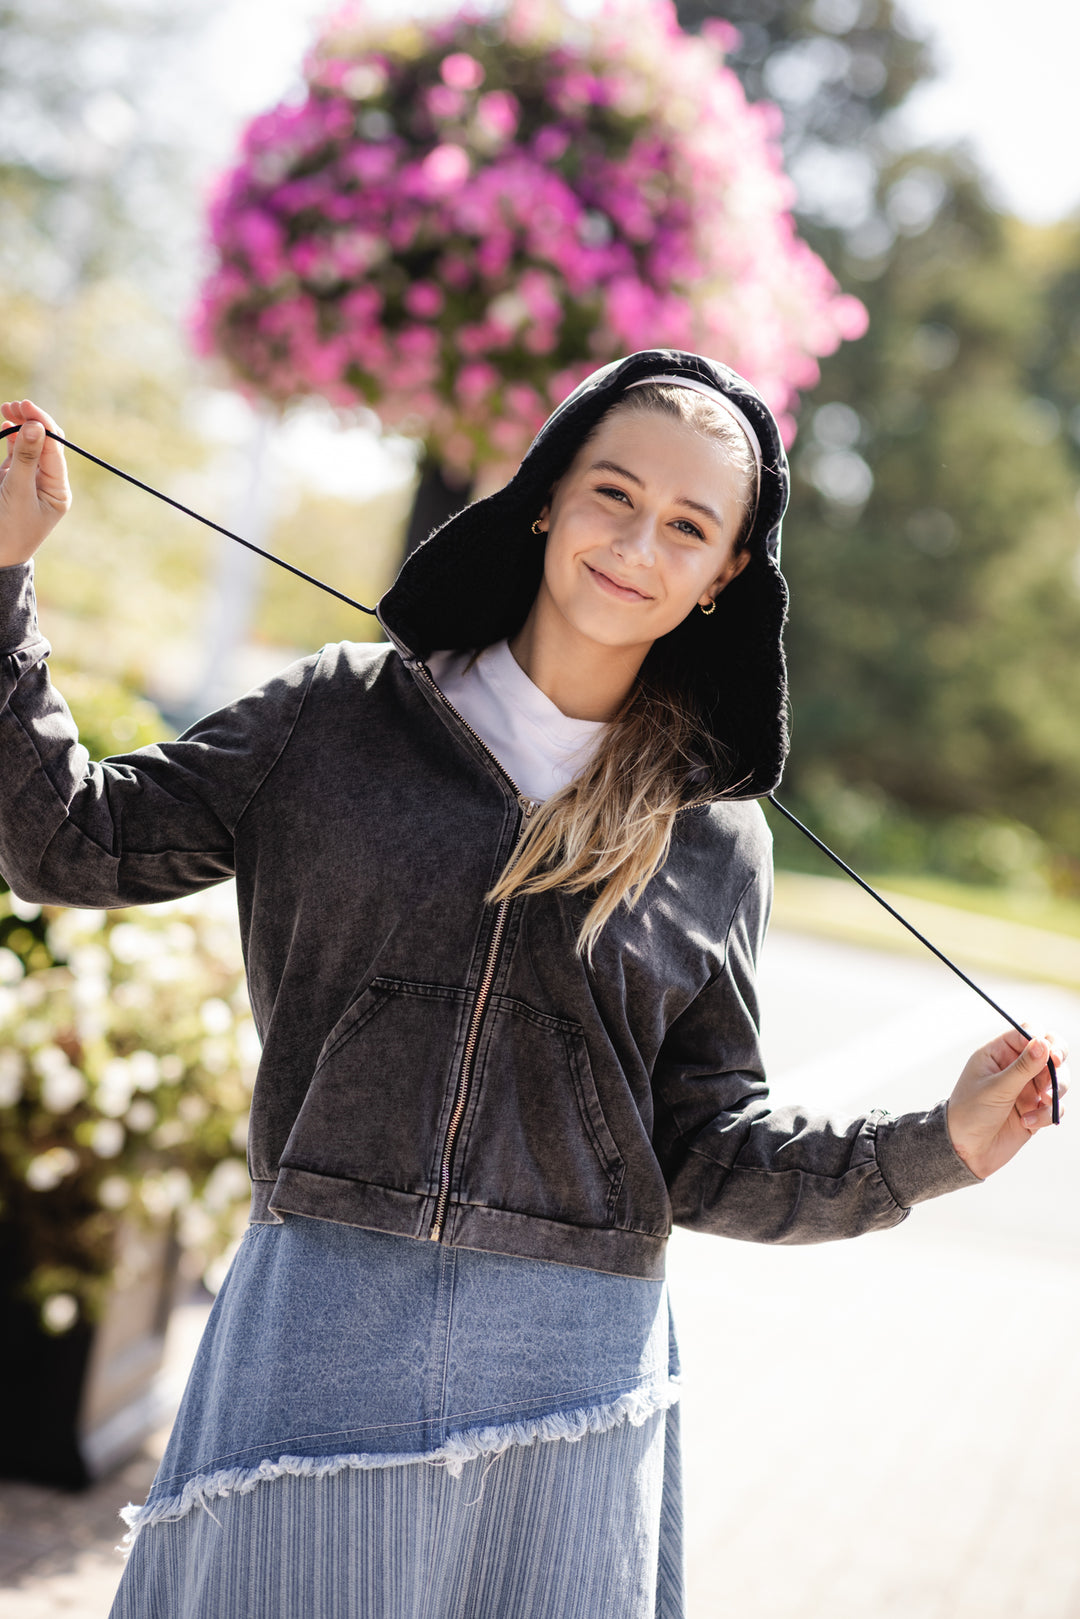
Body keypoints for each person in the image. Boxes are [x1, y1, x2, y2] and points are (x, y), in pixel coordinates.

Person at [0, 350, 1067, 1619]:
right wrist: (5, 577)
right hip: (323, 1313)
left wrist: (935, 1143)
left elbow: (705, 1147)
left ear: (726, 574)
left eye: (687, 525)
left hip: (571, 1367)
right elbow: (67, 840)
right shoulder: (335, 718)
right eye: (613, 493)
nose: (637, 543)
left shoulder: (715, 837)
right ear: (548, 495)